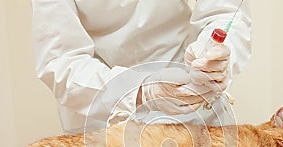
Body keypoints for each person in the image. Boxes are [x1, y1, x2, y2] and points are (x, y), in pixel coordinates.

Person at [31, 0, 251, 134]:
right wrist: (140, 89)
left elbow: (225, 13)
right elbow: (61, 62)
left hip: (189, 103)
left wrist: (212, 53)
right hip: (103, 118)